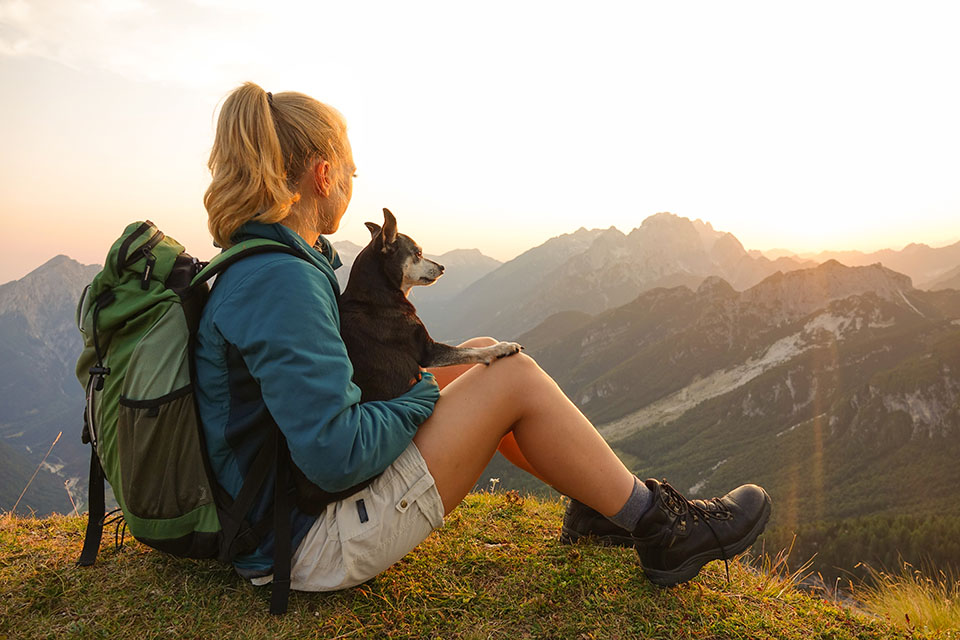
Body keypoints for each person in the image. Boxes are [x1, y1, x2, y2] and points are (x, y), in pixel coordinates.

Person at [195, 82, 771, 592]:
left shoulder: (270, 260)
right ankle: (659, 528)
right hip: (304, 544)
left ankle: (602, 506)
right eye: (350, 172)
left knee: (483, 349)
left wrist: (430, 379)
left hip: (284, 513)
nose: (351, 182)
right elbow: (335, 455)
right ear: (323, 174)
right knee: (509, 376)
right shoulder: (282, 282)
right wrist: (422, 393)